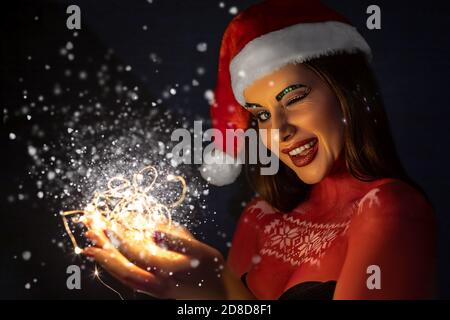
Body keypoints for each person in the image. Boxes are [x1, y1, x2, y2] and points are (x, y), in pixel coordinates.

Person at [82, 0, 437, 299]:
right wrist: (196, 290)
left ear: (350, 93)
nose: (278, 130)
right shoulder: (260, 217)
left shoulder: (389, 210)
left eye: (295, 98)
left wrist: (214, 287)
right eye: (262, 114)